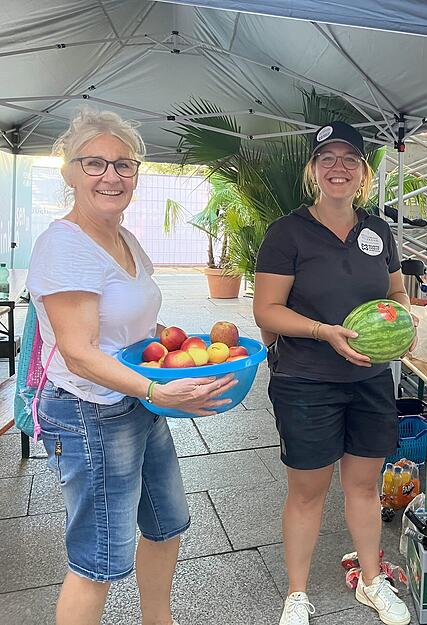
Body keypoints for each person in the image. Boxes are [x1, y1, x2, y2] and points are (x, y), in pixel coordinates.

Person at [26, 109, 236, 625]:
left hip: (138, 402)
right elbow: (79, 351)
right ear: (69, 173)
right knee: (99, 560)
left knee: (166, 524)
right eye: (94, 163)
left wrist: (178, 349)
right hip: (88, 412)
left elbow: (135, 325)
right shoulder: (65, 245)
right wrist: (156, 388)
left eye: (124, 165)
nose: (111, 176)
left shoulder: (124, 238)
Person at [253, 121, 414, 625]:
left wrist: (403, 322)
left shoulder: (377, 230)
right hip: (305, 378)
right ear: (314, 170)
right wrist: (325, 332)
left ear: (363, 172)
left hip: (369, 379)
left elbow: (395, 295)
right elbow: (267, 311)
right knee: (307, 492)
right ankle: (296, 595)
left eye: (349, 159)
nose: (338, 168)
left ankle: (371, 581)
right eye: (328, 159)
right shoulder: (287, 233)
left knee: (365, 487)